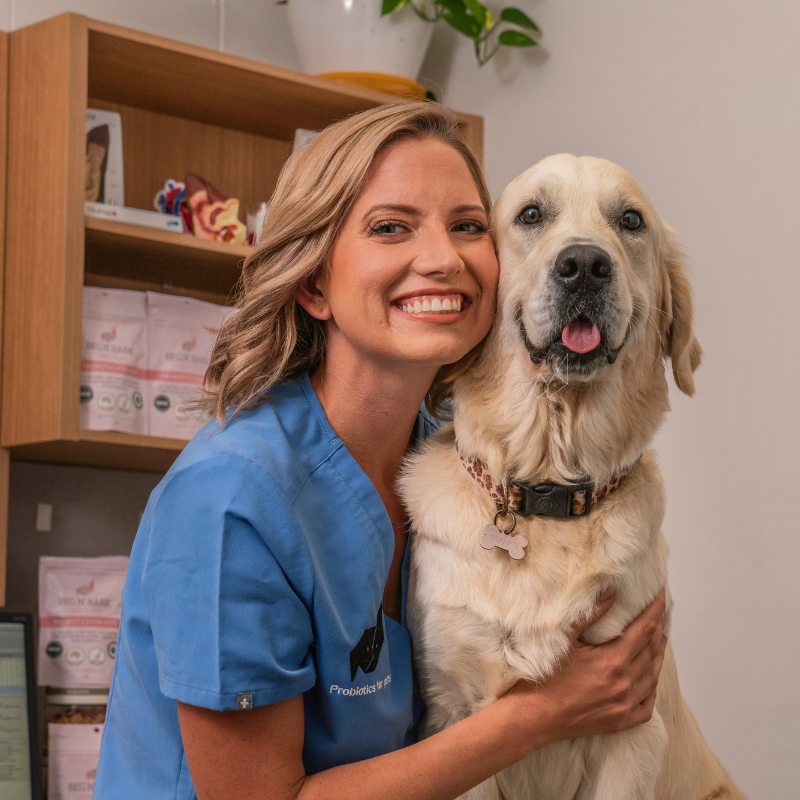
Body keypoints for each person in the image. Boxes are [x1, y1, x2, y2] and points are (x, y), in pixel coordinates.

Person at [93, 102, 667, 800]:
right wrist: (545, 712)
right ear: (313, 281)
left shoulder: (455, 465)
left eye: (466, 226)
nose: (443, 258)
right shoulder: (231, 498)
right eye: (391, 227)